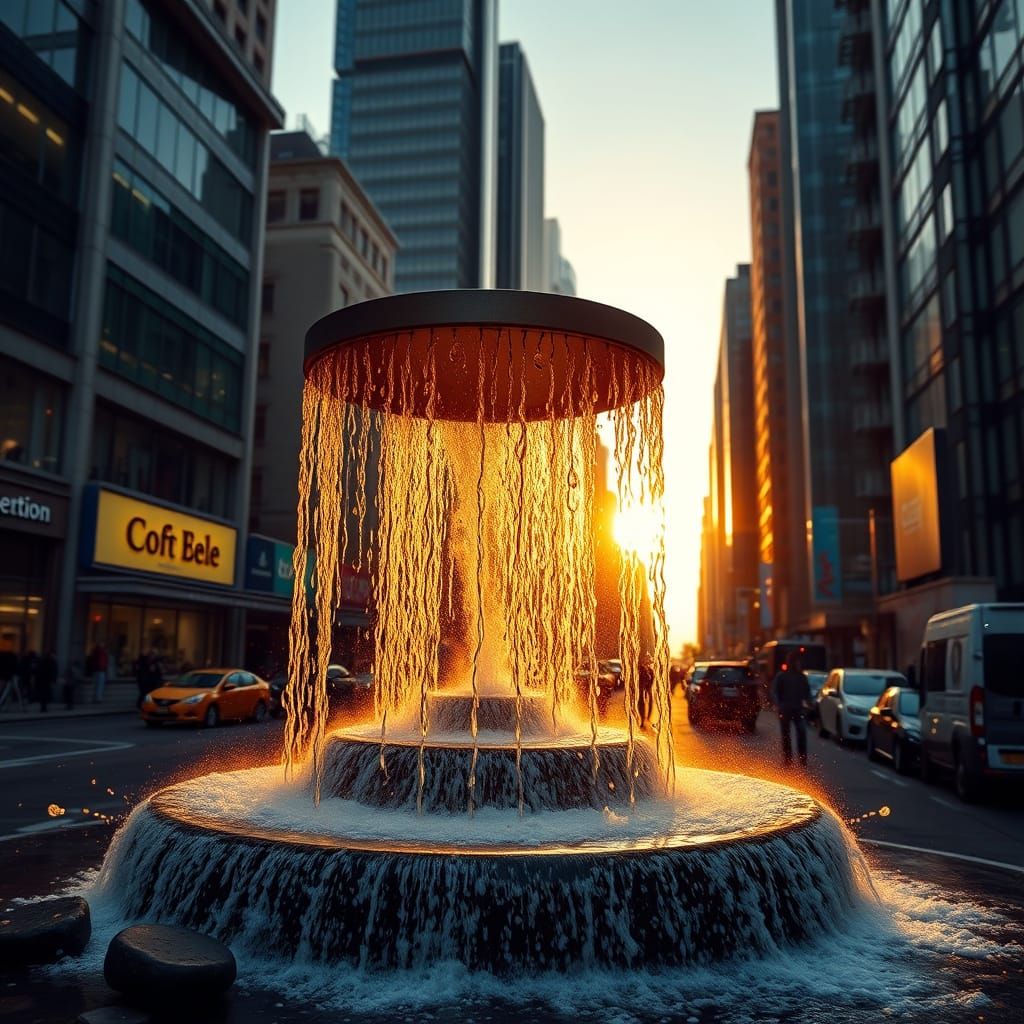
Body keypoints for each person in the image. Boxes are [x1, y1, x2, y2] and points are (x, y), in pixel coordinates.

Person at [770, 655, 811, 768]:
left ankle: (799, 759)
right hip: (788, 708)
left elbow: (807, 692)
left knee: (798, 733)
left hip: (796, 709)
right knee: (788, 734)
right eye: (796, 662)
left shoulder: (800, 676)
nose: (797, 664)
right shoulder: (783, 676)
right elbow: (775, 692)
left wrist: (807, 704)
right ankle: (789, 759)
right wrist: (779, 704)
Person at [637, 654, 655, 728]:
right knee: (641, 700)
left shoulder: (649, 670)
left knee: (648, 698)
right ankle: (643, 719)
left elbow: (651, 679)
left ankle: (646, 718)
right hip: (642, 685)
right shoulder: (642, 668)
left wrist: (649, 687)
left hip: (646, 684)